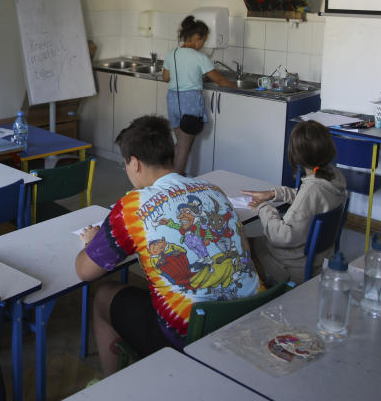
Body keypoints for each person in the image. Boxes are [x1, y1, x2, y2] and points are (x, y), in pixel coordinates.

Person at [75, 116, 261, 376]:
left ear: (135, 163)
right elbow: (245, 250)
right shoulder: (213, 189)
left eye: (124, 163)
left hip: (189, 333)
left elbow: (85, 271)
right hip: (249, 313)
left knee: (104, 295)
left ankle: (111, 386)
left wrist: (92, 242)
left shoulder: (132, 206)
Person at [240, 120, 347, 285]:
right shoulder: (334, 176)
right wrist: (274, 194)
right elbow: (309, 199)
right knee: (250, 240)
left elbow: (282, 236)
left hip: (291, 265)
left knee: (239, 244)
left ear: (297, 155)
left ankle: (256, 292)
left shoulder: (312, 190)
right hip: (317, 259)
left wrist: (263, 208)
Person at [162, 16, 234, 174]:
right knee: (184, 146)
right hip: (190, 102)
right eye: (204, 40)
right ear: (196, 37)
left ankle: (169, 177)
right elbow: (220, 80)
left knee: (180, 143)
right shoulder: (200, 58)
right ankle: (175, 182)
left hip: (173, 100)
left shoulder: (172, 53)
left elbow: (166, 77)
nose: (203, 44)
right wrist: (237, 88)